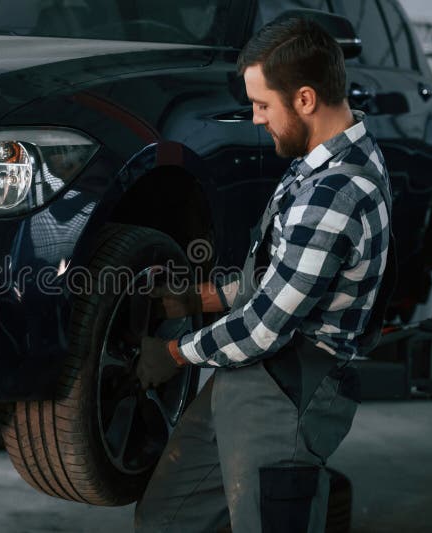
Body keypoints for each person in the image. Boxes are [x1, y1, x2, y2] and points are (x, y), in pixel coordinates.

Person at [134, 16, 392, 533]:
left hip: (287, 396)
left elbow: (264, 327)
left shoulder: (336, 194)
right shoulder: (317, 166)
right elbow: (276, 279)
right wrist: (191, 301)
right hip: (244, 373)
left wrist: (173, 353)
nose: (255, 119)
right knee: (167, 519)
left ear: (304, 99)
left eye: (261, 105)